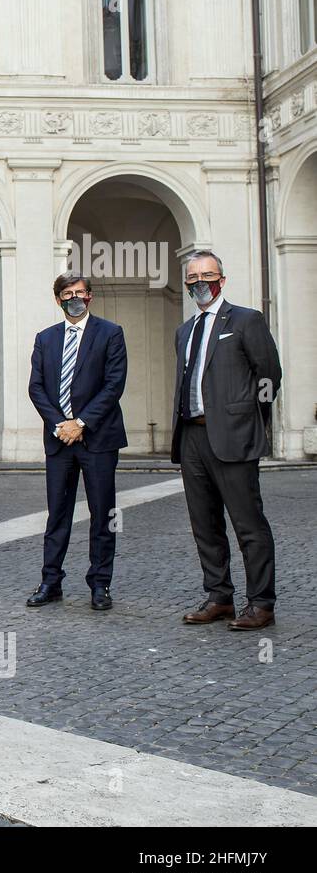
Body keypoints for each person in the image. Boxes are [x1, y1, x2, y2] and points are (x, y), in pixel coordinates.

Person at [174, 251, 282, 631]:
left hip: (234, 437)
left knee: (248, 523)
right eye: (192, 277)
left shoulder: (246, 320)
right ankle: (219, 597)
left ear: (222, 278)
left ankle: (261, 604)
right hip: (192, 435)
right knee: (204, 523)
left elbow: (269, 376)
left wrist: (254, 420)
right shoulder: (185, 330)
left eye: (207, 275)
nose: (199, 282)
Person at [27, 272, 128, 611]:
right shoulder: (45, 338)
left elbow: (113, 385)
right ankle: (50, 581)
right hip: (59, 441)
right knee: (57, 514)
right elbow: (36, 388)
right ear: (58, 299)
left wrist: (81, 423)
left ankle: (100, 585)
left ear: (90, 296)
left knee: (102, 514)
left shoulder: (111, 334)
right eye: (67, 293)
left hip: (97, 438)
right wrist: (60, 425)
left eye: (80, 292)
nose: (74, 298)